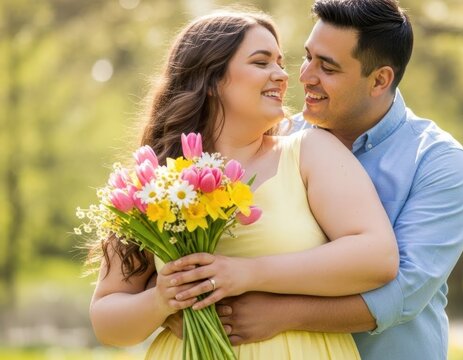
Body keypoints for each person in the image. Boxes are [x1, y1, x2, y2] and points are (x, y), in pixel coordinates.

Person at [87, 9, 400, 360]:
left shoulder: (310, 151)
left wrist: (246, 274)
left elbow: (377, 257)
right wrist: (161, 300)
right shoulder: (155, 182)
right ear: (211, 79)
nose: (282, 75)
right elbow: (107, 320)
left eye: (280, 63)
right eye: (261, 62)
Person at [215, 1, 463, 359]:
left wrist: (284, 315)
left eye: (328, 67)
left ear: (380, 80)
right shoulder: (280, 140)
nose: (305, 76)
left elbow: (403, 291)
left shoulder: (437, 162)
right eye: (308, 57)